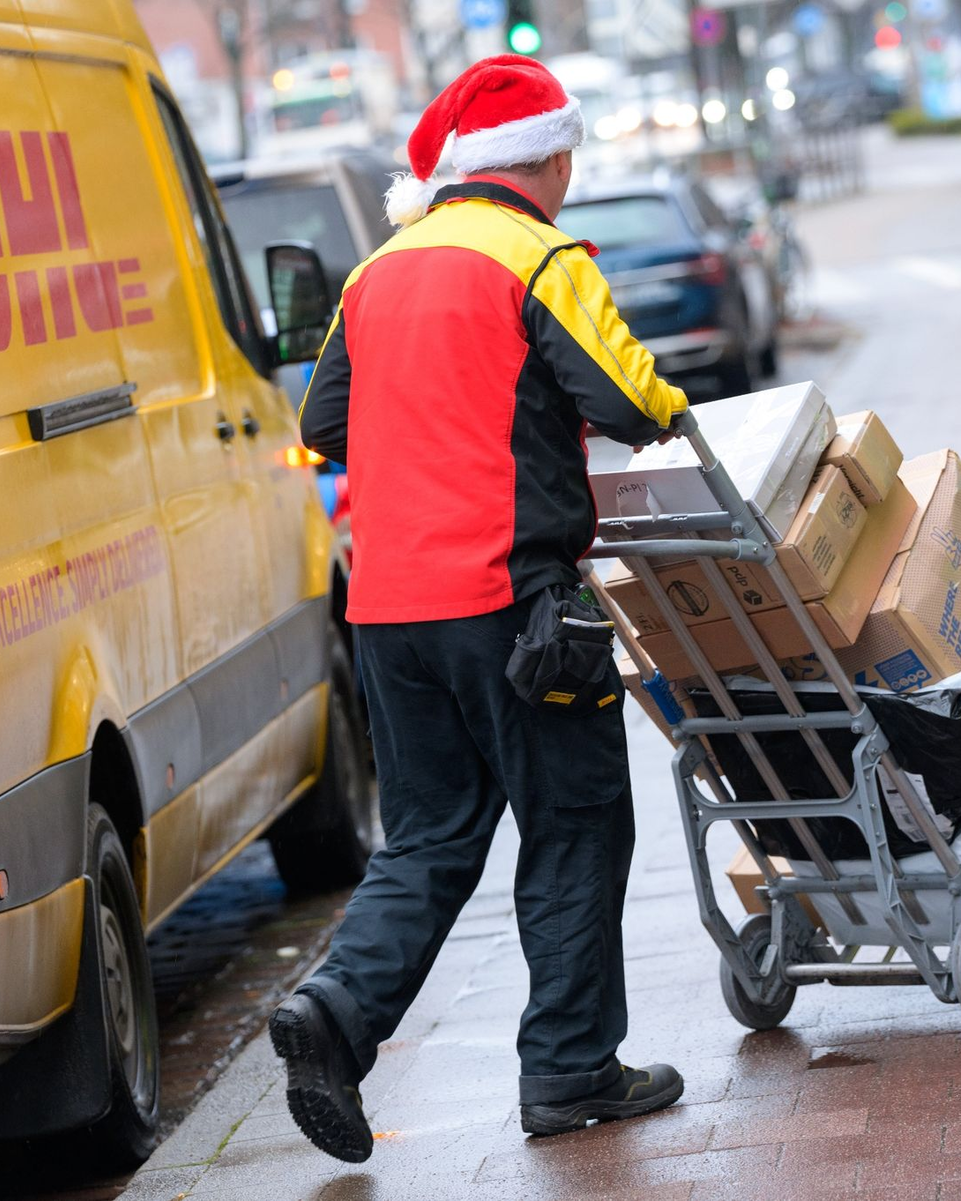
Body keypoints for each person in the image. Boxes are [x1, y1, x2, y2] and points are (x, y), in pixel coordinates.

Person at [270, 54, 690, 1164]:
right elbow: (630, 397)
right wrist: (670, 406)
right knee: (576, 819)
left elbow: (325, 422)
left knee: (431, 835)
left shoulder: (379, 272)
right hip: (514, 604)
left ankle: (336, 1010)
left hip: (391, 616)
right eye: (571, 161)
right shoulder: (539, 255)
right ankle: (569, 1067)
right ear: (547, 161)